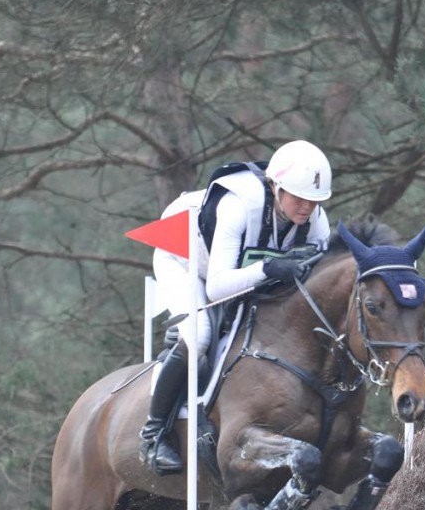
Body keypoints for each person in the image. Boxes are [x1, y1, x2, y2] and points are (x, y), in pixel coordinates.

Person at [140, 140, 334, 475]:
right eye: (299, 197)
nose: (307, 207)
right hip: (184, 261)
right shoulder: (239, 205)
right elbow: (217, 286)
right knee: (200, 335)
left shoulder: (317, 223)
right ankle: (154, 433)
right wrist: (269, 269)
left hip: (234, 274)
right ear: (276, 187)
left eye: (314, 200)